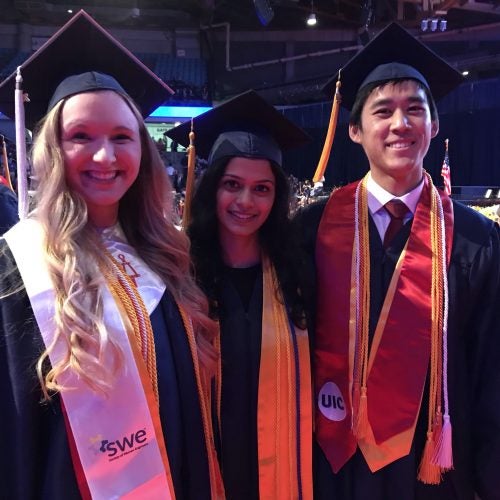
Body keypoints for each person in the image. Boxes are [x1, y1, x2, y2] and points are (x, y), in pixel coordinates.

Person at [0, 11, 223, 499]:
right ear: (52, 150)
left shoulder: (165, 255)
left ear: (142, 150)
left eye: (122, 137)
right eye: (81, 136)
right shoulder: (18, 270)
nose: (105, 157)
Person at [294, 23, 500, 500]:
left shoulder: (475, 238)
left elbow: (492, 372)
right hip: (334, 467)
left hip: (436, 472)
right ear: (354, 130)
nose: (400, 124)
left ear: (435, 125)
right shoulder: (311, 229)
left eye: (415, 110)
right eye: (382, 111)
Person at [167, 90, 314, 499]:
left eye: (262, 188)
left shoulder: (298, 274)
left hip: (283, 463)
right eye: (232, 185)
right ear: (211, 188)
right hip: (202, 465)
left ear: (276, 195)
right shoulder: (176, 275)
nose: (246, 202)